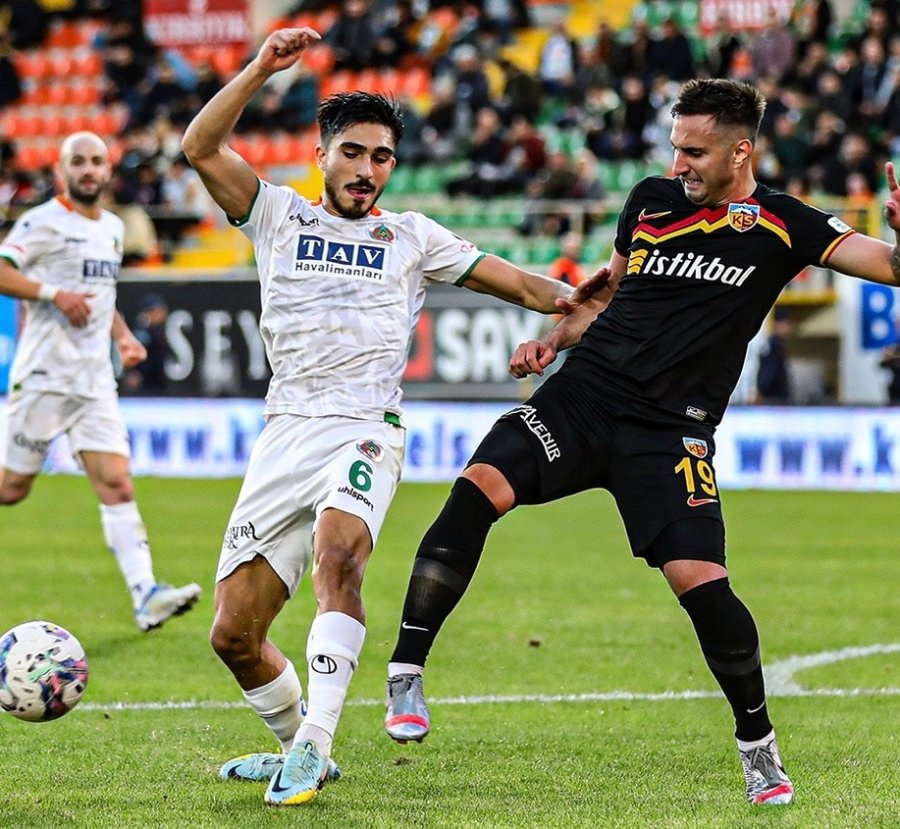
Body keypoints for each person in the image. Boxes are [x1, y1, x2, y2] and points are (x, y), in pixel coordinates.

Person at [383, 78, 900, 807]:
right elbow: (610, 296)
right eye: (675, 146)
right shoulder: (650, 201)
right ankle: (406, 671)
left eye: (695, 151)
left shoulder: (785, 223)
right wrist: (555, 338)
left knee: (702, 584)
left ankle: (757, 744)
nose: (678, 162)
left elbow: (889, 269)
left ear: (741, 152)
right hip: (583, 399)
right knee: (477, 489)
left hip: (671, 432)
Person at [180, 26, 599, 808]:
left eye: (382, 157)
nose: (367, 169)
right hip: (286, 432)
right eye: (352, 152)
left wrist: (579, 300)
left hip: (366, 426)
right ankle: (296, 743)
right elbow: (199, 147)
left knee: (340, 557)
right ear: (321, 155)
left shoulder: (412, 237)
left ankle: (315, 743)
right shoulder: (276, 216)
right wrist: (262, 67)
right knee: (234, 633)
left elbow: (523, 285)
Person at [0, 132, 202, 632]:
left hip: (93, 382)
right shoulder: (41, 222)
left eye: (96, 161)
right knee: (11, 488)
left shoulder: (112, 228)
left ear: (108, 171)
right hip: (45, 377)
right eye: (78, 162)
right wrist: (52, 293)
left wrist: (124, 336)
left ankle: (146, 594)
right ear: (60, 172)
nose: (88, 169)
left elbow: (100, 295)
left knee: (116, 482)